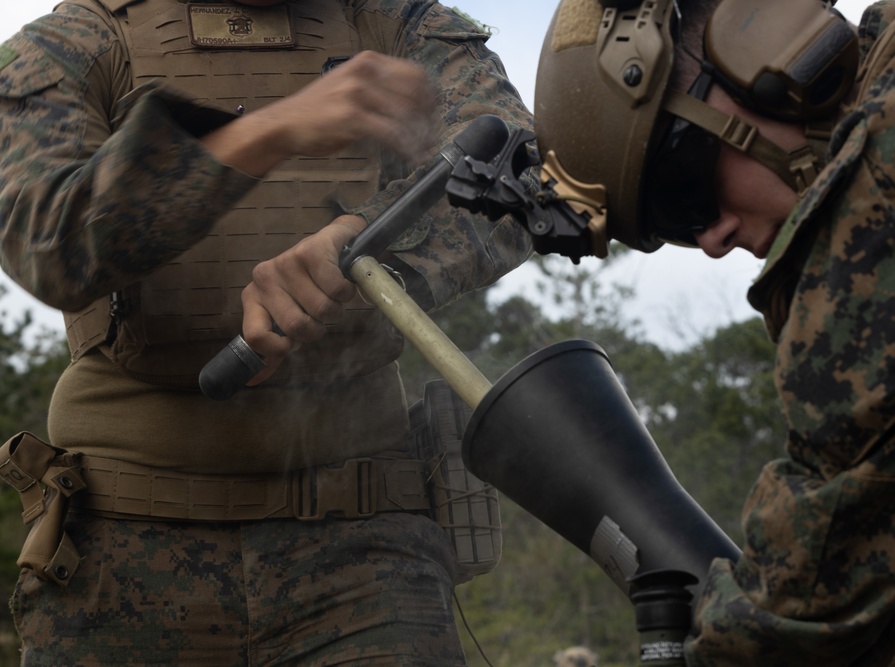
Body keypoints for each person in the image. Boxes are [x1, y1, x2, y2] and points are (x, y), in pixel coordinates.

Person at [0, 0, 534, 664]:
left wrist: (369, 237)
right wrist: (262, 136)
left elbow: (516, 165)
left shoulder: (395, 23)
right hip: (119, 547)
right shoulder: (78, 40)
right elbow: (45, 237)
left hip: (364, 549)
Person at [532, 0, 895, 664]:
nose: (714, 238)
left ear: (759, 52)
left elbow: (820, 570)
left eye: (684, 188)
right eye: (674, 228)